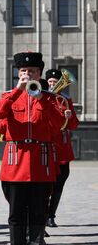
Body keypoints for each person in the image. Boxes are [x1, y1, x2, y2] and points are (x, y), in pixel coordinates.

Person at [0, 52, 65, 245]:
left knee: (38, 211)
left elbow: (61, 122)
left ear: (39, 73)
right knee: (15, 213)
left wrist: (43, 99)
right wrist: (17, 91)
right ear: (18, 73)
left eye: (31, 71)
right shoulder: (9, 95)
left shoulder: (51, 98)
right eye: (23, 71)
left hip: (40, 161)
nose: (27, 74)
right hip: (16, 162)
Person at [45, 69, 79, 228]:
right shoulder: (43, 97)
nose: (52, 85)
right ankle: (42, 216)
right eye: (50, 82)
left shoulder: (65, 99)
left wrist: (69, 116)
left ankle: (51, 215)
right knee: (45, 185)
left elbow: (73, 125)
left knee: (60, 182)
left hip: (62, 148)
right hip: (47, 144)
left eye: (55, 82)